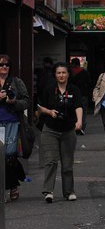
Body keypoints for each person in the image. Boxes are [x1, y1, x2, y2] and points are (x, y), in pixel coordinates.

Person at [37, 61, 84, 202]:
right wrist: (49, 112)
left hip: (68, 130)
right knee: (51, 161)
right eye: (59, 73)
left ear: (68, 74)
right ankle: (48, 191)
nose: (61, 75)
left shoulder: (74, 90)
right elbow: (39, 107)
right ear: (55, 75)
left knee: (67, 163)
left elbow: (78, 106)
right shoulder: (49, 89)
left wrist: (79, 121)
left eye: (64, 72)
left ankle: (69, 191)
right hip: (50, 129)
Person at [0, 54, 29, 202]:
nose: (4, 67)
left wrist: (13, 101)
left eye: (7, 64)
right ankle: (7, 188)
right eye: (1, 64)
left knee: (9, 155)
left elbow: (26, 101)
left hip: (12, 122)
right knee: (1, 156)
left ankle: (12, 186)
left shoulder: (16, 82)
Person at [69, 58, 92, 135]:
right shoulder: (85, 72)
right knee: (83, 111)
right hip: (83, 94)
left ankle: (74, 126)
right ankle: (81, 127)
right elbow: (89, 84)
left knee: (73, 110)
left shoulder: (70, 73)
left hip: (72, 95)